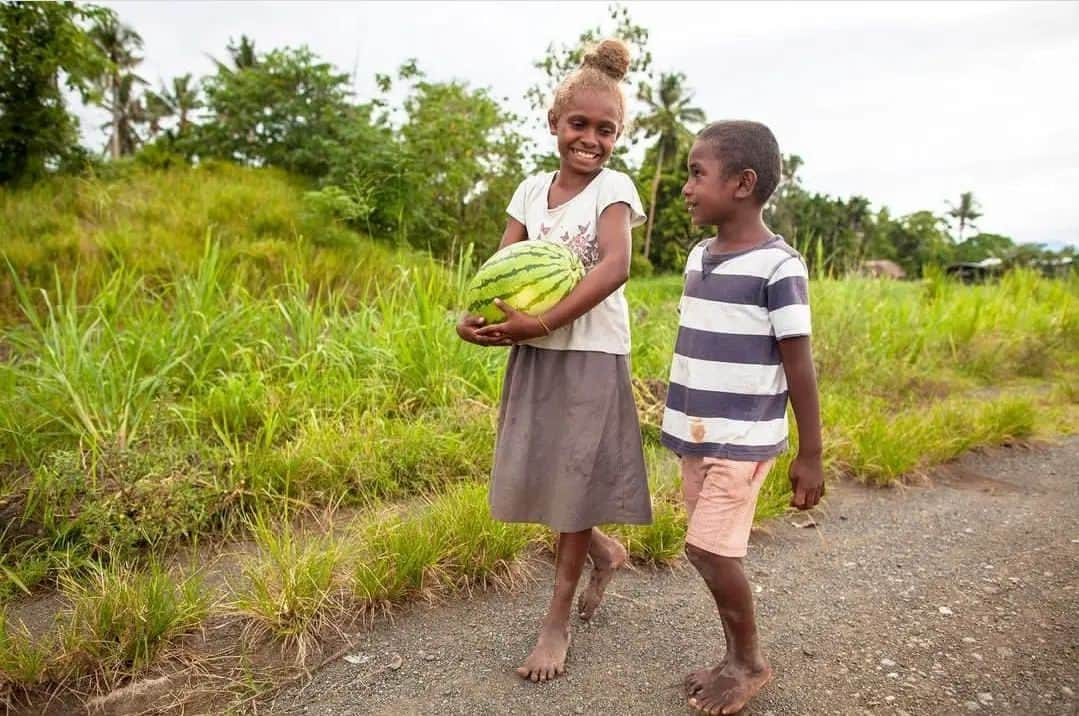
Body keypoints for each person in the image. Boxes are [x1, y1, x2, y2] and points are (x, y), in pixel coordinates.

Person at [455, 38, 652, 683]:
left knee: (571, 481)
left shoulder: (614, 189)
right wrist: (477, 317)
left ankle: (556, 620)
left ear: (617, 136)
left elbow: (617, 266)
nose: (590, 139)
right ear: (553, 124)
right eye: (578, 125)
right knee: (542, 474)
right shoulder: (530, 190)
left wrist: (538, 320)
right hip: (534, 353)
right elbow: (501, 266)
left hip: (589, 354)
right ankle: (604, 549)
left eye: (605, 129)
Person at [661, 120, 824, 714]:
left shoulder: (780, 267)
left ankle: (748, 662)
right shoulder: (700, 255)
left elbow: (799, 367)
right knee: (705, 548)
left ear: (742, 183)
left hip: (742, 440)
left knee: (709, 551)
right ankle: (735, 655)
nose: (686, 186)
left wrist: (811, 454)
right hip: (696, 436)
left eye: (696, 173)